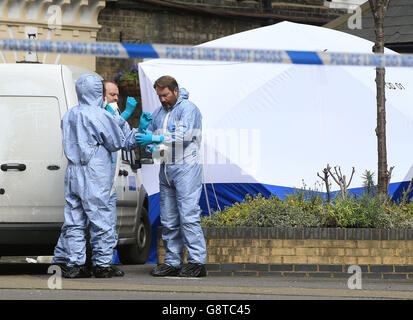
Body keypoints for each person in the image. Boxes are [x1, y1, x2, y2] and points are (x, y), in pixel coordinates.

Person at [51, 74, 140, 278]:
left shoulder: (70, 115)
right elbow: (118, 142)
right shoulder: (100, 115)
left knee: (75, 220)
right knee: (102, 219)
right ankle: (102, 265)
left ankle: (75, 265)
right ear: (97, 92)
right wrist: (136, 132)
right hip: (95, 172)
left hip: (73, 171)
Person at [136, 75, 207, 277]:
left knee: (188, 216)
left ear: (175, 91)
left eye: (166, 95)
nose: (163, 99)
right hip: (166, 171)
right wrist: (147, 138)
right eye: (159, 96)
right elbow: (149, 144)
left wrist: (156, 138)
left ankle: (197, 262)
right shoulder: (158, 113)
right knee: (168, 220)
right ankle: (172, 261)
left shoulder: (188, 109)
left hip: (186, 169)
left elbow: (183, 137)